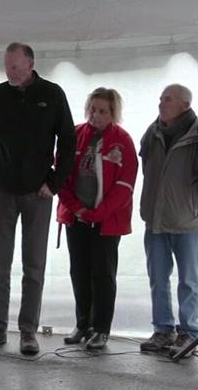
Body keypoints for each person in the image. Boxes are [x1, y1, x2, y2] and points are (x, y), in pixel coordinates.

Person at [0, 42, 76, 355]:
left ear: (30, 64)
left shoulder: (53, 94)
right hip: (2, 191)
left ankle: (28, 332)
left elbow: (68, 142)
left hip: (38, 193)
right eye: (7, 67)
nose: (10, 73)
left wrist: (54, 183)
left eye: (15, 67)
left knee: (34, 267)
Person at [56, 88, 138, 350]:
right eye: (92, 108)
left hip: (106, 221)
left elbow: (125, 185)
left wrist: (97, 214)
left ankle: (101, 329)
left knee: (102, 274)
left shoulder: (122, 140)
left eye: (102, 111)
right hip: (77, 216)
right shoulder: (76, 134)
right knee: (79, 271)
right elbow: (62, 176)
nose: (96, 114)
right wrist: (78, 209)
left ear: (113, 113)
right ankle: (83, 324)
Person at [138, 84, 198, 357]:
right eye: (160, 98)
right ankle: (163, 330)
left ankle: (188, 334)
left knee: (188, 281)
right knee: (158, 279)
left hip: (187, 223)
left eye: (168, 99)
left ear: (185, 104)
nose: (161, 103)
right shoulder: (153, 132)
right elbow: (146, 165)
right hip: (156, 221)